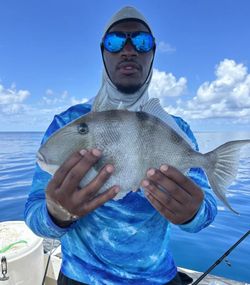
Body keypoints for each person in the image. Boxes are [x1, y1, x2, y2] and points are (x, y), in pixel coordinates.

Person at [24, 6, 217, 285]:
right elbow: (34, 214)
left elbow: (206, 213)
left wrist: (193, 213)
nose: (129, 50)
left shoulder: (178, 130)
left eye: (142, 42)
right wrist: (57, 214)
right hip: (80, 277)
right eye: (115, 42)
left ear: (152, 54)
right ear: (103, 54)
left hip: (155, 278)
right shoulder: (66, 122)